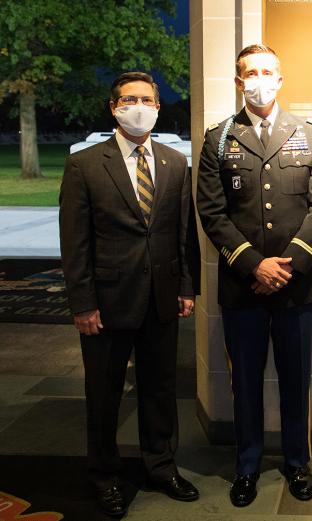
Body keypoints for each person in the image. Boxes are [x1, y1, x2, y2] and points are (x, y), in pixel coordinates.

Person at [197, 44, 312, 507]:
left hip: (296, 287)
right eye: (250, 73)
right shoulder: (219, 138)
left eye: (267, 71)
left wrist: (285, 266)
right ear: (239, 82)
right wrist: (254, 264)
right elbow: (211, 212)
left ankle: (297, 463)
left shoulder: (307, 133)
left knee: (297, 381)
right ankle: (247, 466)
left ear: (280, 78)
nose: (259, 79)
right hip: (243, 287)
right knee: (245, 383)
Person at [59, 71, 199, 518]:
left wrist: (186, 286)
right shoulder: (84, 164)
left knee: (159, 389)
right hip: (106, 302)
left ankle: (161, 466)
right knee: (104, 395)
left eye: (146, 99)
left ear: (158, 106)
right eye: (128, 99)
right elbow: (74, 242)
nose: (138, 107)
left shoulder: (175, 163)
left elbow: (182, 232)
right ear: (113, 107)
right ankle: (104, 475)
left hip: (161, 297)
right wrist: (82, 303)